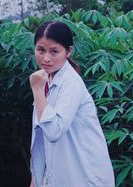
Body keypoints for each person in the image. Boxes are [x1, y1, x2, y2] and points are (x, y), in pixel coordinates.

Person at [29, 21, 115, 187]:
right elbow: (42, 137)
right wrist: (37, 179)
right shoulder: (46, 79)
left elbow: (54, 131)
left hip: (85, 175)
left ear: (68, 51)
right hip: (63, 174)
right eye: (41, 50)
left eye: (54, 51)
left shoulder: (70, 83)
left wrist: (37, 91)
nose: (46, 58)